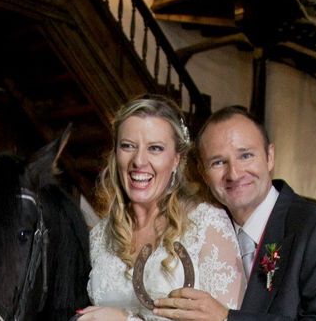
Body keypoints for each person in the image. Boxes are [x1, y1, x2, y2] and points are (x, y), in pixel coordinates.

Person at [153, 106, 316, 321]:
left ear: (270, 156)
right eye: (218, 162)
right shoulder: (203, 230)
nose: (234, 174)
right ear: (203, 173)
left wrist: (227, 319)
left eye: (245, 155)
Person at [78, 95, 246, 321]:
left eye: (155, 148)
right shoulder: (99, 236)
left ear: (176, 159)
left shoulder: (208, 226)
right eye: (128, 146)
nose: (139, 161)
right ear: (115, 153)